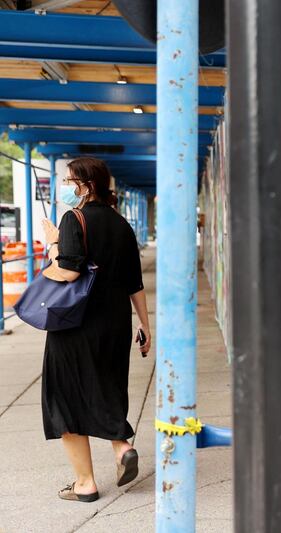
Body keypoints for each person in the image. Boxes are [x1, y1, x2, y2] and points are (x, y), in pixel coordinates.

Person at [39, 157, 151, 502]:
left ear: (86, 186)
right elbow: (135, 283)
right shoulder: (122, 225)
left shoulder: (73, 218)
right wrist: (146, 325)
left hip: (76, 325)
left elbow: (68, 272)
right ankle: (122, 448)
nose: (64, 186)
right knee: (105, 386)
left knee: (64, 398)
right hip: (116, 323)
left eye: (69, 180)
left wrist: (53, 244)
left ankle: (85, 483)